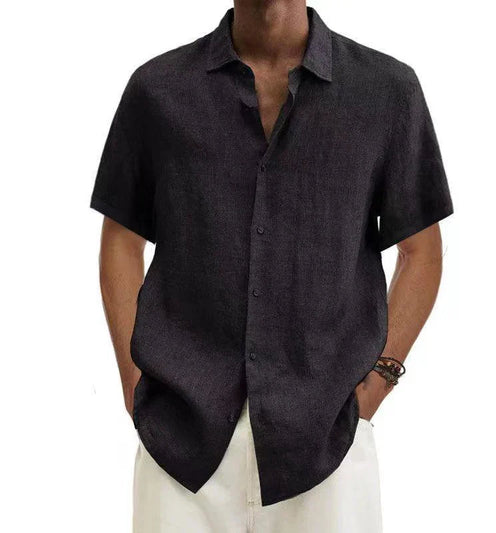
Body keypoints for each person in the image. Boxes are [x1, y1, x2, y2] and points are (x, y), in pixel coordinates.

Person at [90, 1, 453, 531]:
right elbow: (121, 242)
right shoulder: (158, 90)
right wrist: (134, 381)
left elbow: (421, 251)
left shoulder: (387, 91)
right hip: (180, 444)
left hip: (328, 444)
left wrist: (379, 380)